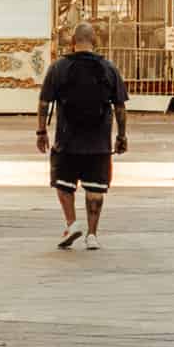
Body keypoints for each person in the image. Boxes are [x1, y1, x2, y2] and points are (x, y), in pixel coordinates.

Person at [37, 20, 128, 251]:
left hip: (67, 138)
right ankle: (92, 235)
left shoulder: (58, 67)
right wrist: (121, 136)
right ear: (94, 41)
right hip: (98, 141)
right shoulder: (109, 68)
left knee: (63, 183)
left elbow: (44, 102)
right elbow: (120, 107)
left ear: (72, 42)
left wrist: (41, 131)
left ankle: (72, 222)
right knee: (96, 189)